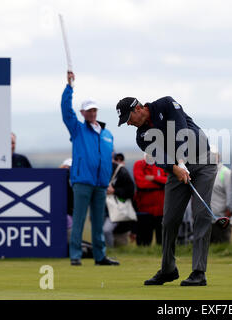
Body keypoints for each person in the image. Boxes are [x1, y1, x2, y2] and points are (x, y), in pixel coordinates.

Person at [116, 95, 217, 286]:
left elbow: (181, 130)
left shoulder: (166, 104)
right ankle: (168, 269)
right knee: (169, 219)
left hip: (203, 162)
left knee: (201, 215)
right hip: (176, 170)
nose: (128, 124)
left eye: (128, 118)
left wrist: (181, 159)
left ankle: (198, 272)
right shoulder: (141, 136)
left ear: (137, 108)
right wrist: (176, 167)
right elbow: (160, 157)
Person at [61, 71, 119, 266]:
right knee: (78, 220)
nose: (92, 113)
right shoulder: (77, 129)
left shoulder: (107, 134)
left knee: (98, 222)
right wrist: (69, 87)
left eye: (94, 110)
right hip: (82, 182)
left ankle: (100, 256)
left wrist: (107, 181)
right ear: (82, 113)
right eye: (88, 110)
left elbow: (106, 159)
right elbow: (65, 110)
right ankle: (75, 255)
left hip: (101, 184)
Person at [133, 153, 168, 246]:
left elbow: (169, 181)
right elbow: (141, 183)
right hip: (144, 208)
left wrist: (153, 178)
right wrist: (160, 183)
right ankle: (143, 256)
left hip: (161, 208)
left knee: (162, 240)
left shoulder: (163, 164)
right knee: (143, 241)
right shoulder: (139, 164)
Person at [103, 153, 136, 247]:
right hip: (106, 210)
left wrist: (115, 191)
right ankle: (107, 251)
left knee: (106, 230)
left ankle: (108, 252)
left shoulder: (122, 171)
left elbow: (130, 191)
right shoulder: (102, 170)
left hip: (117, 210)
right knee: (105, 231)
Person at [209, 146, 232, 244]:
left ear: (218, 156)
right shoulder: (204, 172)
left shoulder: (225, 173)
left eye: (214, 155)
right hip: (207, 220)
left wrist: (227, 216)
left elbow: (231, 196)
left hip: (222, 220)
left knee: (221, 248)